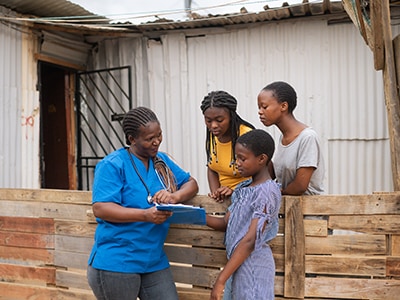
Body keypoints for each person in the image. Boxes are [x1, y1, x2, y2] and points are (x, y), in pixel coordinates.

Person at [87, 106, 199, 300]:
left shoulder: (161, 161)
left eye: (159, 135)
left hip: (153, 260)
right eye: (149, 139)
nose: (156, 142)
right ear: (132, 139)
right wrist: (145, 215)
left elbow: (191, 184)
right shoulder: (112, 164)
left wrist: (174, 197)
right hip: (118, 262)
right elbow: (101, 208)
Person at [206, 129, 281, 300]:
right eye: (236, 158)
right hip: (238, 264)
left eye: (242, 158)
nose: (236, 163)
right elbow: (226, 223)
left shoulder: (267, 192)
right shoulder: (243, 188)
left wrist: (221, 280)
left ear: (262, 159)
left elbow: (250, 240)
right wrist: (194, 216)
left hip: (254, 267)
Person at [257, 81, 324, 195]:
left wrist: (276, 195)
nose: (260, 112)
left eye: (264, 107)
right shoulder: (283, 138)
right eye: (259, 107)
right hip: (288, 210)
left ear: (283, 106)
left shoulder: (307, 138)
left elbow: (300, 186)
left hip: (309, 211)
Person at [200, 90, 255, 203]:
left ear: (231, 116)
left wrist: (236, 191)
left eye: (219, 120)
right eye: (208, 120)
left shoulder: (247, 136)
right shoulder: (213, 137)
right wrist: (216, 193)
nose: (213, 125)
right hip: (225, 203)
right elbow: (212, 168)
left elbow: (264, 173)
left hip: (248, 201)